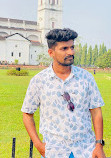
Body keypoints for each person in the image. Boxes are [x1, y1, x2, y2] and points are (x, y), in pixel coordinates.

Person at [21, 28, 106, 158]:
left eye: (72, 47)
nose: (71, 52)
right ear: (51, 52)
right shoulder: (39, 81)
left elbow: (96, 112)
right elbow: (27, 114)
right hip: (54, 151)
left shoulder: (86, 78)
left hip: (85, 149)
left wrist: (99, 145)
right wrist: (38, 145)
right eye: (64, 48)